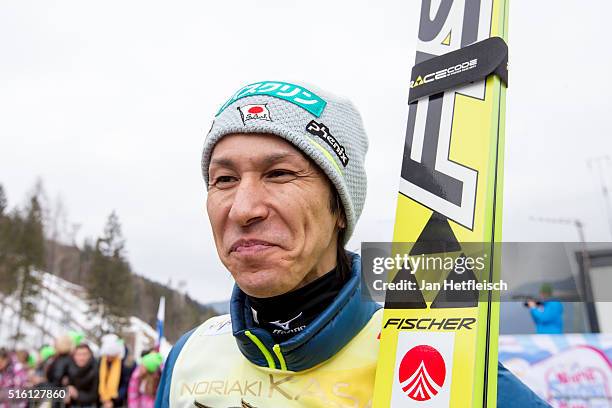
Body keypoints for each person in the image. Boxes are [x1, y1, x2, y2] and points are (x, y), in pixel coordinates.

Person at [155, 81, 549, 407]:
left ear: (339, 208)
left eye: (278, 174)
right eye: (224, 180)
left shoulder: (430, 356)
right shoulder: (190, 355)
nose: (243, 209)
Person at [98, 334, 135, 408]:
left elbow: (126, 384)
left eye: (111, 356)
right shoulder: (102, 361)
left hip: (117, 401)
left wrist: (113, 400)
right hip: (102, 399)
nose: (108, 358)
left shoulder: (126, 364)